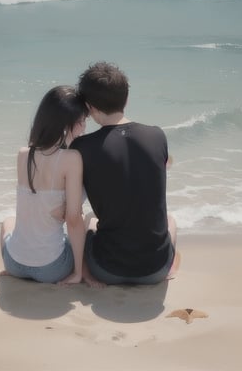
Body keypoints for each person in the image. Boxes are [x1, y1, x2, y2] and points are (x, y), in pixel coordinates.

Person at [71, 62, 178, 285]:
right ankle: (169, 268)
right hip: (155, 270)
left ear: (90, 108)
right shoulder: (157, 135)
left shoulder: (82, 147)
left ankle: (85, 273)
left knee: (90, 221)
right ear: (127, 99)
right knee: (171, 221)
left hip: (107, 269)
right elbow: (165, 164)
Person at [0, 85, 88, 284]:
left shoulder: (23, 155)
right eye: (82, 121)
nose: (84, 127)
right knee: (86, 230)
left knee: (7, 222)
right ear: (67, 125)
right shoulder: (71, 158)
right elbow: (73, 220)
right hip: (51, 268)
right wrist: (78, 273)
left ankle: (9, 269)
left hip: (14, 263)